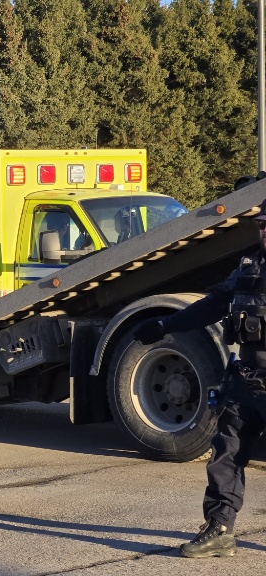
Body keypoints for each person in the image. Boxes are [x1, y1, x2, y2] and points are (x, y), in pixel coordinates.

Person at [133, 188, 266, 559]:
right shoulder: (249, 267)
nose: (264, 230)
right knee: (226, 455)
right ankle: (219, 530)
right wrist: (165, 325)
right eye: (262, 224)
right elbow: (212, 306)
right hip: (247, 381)